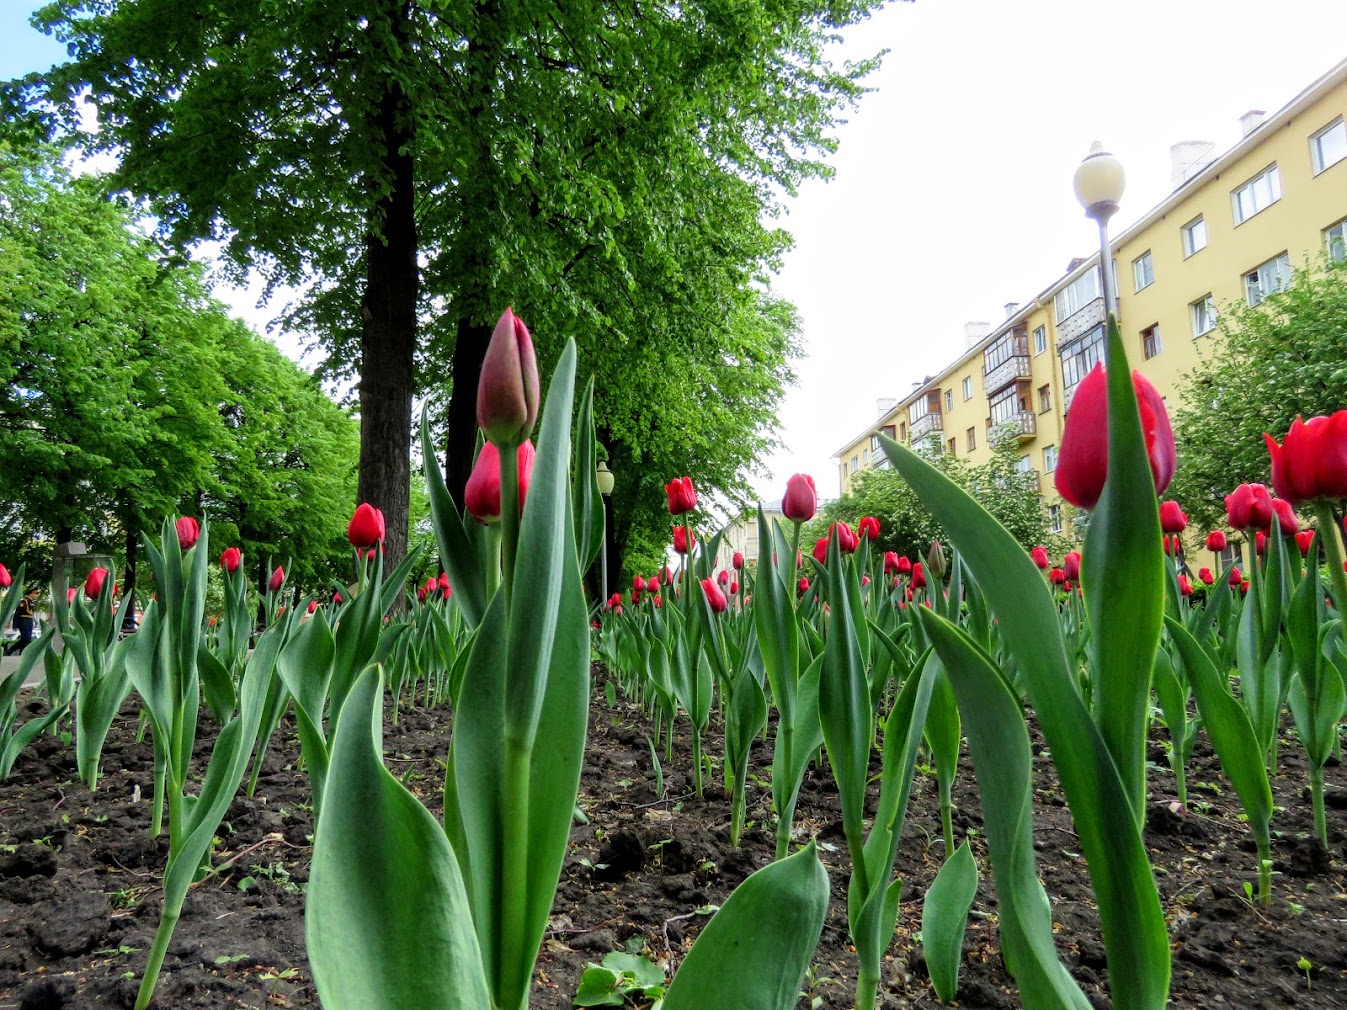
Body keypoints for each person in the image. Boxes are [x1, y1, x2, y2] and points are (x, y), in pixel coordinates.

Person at [6, 588, 39, 655]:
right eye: (36, 593)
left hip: (29, 621)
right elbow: (17, 613)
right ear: (31, 593)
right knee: (25, 638)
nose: (37, 595)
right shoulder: (24, 602)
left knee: (28, 639)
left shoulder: (32, 603)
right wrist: (15, 625)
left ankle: (23, 653)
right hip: (23, 621)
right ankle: (9, 651)